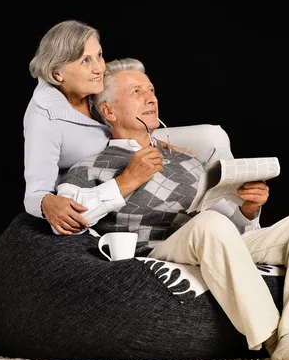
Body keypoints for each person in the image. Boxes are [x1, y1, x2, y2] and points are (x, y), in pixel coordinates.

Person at [52, 57, 289, 360]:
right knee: (209, 224)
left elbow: (233, 230)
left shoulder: (187, 161)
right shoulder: (91, 165)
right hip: (153, 254)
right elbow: (71, 215)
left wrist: (248, 210)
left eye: (152, 90)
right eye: (136, 91)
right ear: (109, 111)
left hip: (209, 241)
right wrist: (127, 180)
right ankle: (273, 337)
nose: (150, 97)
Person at [23, 20, 184, 235]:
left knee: (212, 137)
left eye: (99, 55)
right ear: (58, 74)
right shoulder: (45, 120)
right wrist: (47, 203)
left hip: (130, 144)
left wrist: (152, 141)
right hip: (101, 176)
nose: (100, 68)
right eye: (85, 61)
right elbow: (34, 194)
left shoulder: (89, 85)